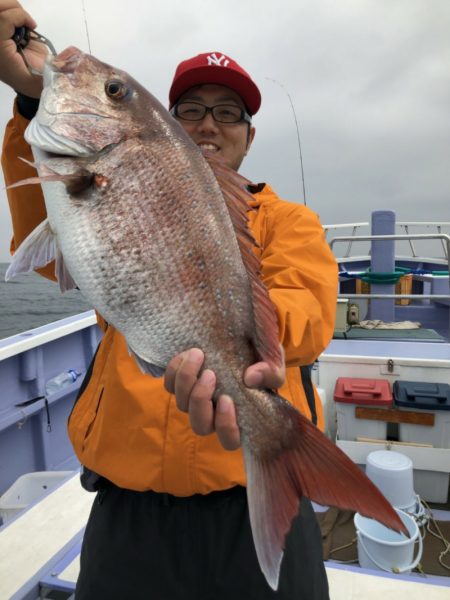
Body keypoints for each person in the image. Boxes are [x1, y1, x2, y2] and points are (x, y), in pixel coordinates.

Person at [0, 2, 338, 598]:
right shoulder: (115, 181)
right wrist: (31, 101)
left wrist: (221, 348)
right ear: (172, 127)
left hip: (246, 493)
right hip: (129, 508)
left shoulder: (288, 221)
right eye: (191, 111)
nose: (210, 125)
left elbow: (307, 317)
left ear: (250, 135)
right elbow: (54, 253)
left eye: (229, 113)